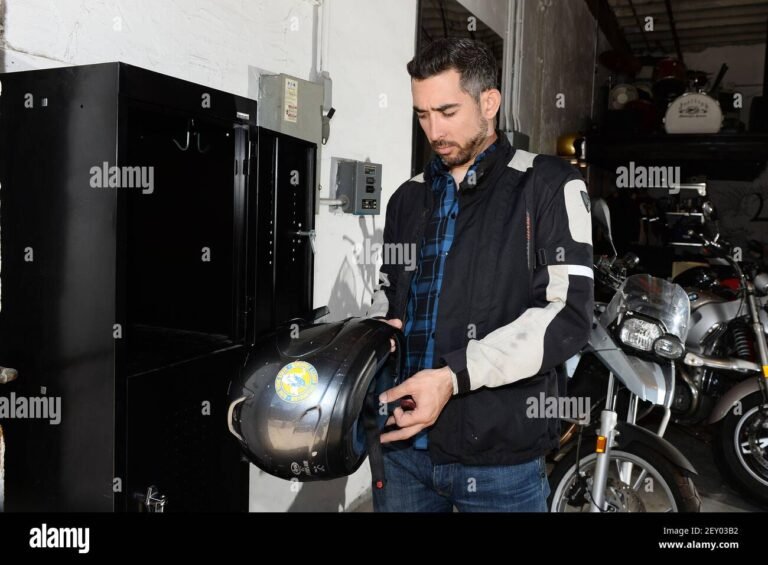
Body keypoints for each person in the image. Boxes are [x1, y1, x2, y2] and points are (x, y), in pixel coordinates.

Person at [366, 38, 594, 512]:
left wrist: (454, 377)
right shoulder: (406, 198)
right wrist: (381, 328)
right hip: (402, 448)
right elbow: (390, 291)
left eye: (447, 111)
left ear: (489, 102)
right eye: (422, 114)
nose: (433, 129)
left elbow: (566, 316)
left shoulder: (549, 184)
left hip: (499, 461)